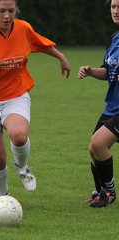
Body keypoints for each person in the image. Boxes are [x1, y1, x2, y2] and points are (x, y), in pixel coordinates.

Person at [0, 0, 71, 198]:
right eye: (2, 11)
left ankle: (22, 168)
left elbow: (40, 43)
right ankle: (2, 198)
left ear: (16, 10)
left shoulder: (23, 28)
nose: (6, 16)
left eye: (11, 11)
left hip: (15, 94)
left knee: (19, 135)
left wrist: (61, 57)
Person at [77, 0, 118, 208]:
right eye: (113, 7)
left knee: (98, 144)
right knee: (94, 150)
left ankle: (109, 192)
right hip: (112, 106)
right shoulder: (115, 39)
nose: (116, 11)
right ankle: (100, 191)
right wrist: (92, 71)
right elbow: (109, 72)